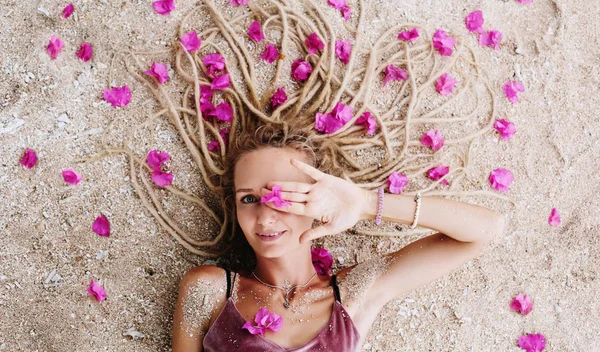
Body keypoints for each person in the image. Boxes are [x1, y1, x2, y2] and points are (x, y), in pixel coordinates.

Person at [171, 124, 505, 351]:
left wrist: (365, 203)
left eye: (286, 196)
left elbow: (485, 231)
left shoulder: (355, 295)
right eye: (249, 199)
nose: (266, 215)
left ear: (319, 200)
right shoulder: (210, 289)